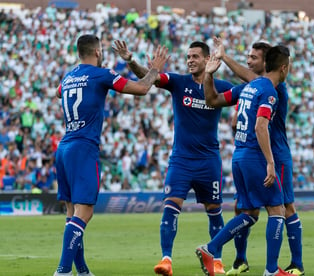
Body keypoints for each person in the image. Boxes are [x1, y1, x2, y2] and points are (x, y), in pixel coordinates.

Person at [53, 35, 169, 276]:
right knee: (85, 213)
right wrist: (155, 69)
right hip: (83, 147)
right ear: (97, 52)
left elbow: (58, 92)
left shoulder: (69, 76)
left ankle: (82, 270)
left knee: (72, 213)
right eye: (102, 51)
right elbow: (142, 88)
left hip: (64, 147)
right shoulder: (101, 74)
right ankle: (63, 271)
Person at [116, 40, 233, 276]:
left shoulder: (221, 86)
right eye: (188, 56)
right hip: (181, 160)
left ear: (208, 59)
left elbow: (246, 95)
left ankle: (217, 262)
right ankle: (166, 260)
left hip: (209, 161)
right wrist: (131, 61)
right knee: (171, 206)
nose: (190, 60)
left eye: (195, 56)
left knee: (214, 210)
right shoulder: (179, 83)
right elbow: (150, 78)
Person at [196, 45, 291, 276]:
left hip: (239, 156)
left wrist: (212, 70)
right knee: (277, 211)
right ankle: (271, 270)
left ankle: (211, 247)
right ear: (284, 68)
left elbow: (214, 100)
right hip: (254, 156)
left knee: (248, 214)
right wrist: (270, 162)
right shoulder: (269, 91)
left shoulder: (250, 87)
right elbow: (261, 125)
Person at [214, 37, 304, 276]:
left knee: (286, 207)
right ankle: (241, 259)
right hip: (254, 156)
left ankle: (296, 264)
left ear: (267, 63)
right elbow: (222, 102)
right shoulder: (255, 88)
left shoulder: (273, 86)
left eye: (254, 57)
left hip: (275, 155)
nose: (248, 61)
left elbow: (250, 80)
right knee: (243, 209)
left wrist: (224, 57)